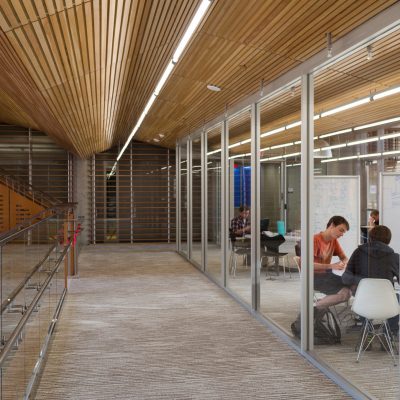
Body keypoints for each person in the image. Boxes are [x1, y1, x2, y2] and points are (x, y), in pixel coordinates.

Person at [342, 225, 399, 336]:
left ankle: (367, 330)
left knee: (361, 294)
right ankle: (390, 332)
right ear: (388, 240)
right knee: (397, 299)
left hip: (362, 300)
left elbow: (346, 278)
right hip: (387, 301)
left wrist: (362, 281)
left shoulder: (358, 253)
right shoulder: (395, 257)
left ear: (370, 238)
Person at [313, 216, 352, 309]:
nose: (342, 234)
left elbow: (344, 257)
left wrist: (343, 263)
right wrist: (331, 266)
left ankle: (319, 308)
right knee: (346, 293)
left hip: (326, 275)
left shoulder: (333, 241)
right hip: (314, 277)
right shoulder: (315, 240)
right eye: (341, 230)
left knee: (351, 287)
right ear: (332, 225)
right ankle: (313, 309)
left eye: (344, 232)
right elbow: (308, 265)